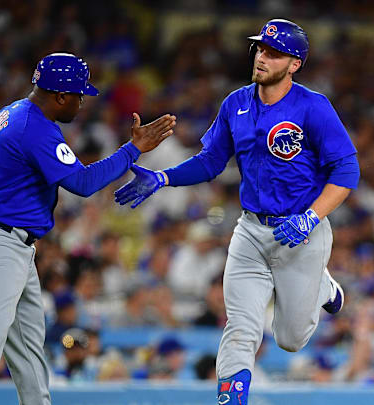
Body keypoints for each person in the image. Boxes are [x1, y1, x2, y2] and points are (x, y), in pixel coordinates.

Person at [115, 19, 359, 405]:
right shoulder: (236, 103)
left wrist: (311, 217)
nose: (263, 57)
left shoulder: (313, 107)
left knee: (290, 340)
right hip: (250, 232)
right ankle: (231, 400)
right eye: (261, 49)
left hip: (302, 231)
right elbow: (211, 161)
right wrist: (163, 178)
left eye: (274, 53)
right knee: (241, 327)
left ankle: (324, 286)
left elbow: (347, 171)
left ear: (294, 64)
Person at [0, 53, 175, 405]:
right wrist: (133, 150)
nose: (82, 102)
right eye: (78, 95)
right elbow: (83, 183)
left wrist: (8, 187)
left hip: (9, 240)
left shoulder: (14, 112)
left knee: (27, 344)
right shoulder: (34, 127)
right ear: (59, 96)